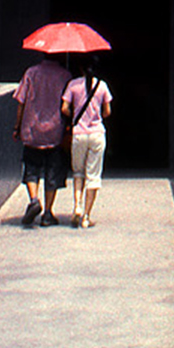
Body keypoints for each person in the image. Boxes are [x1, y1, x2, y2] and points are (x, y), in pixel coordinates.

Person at [13, 51, 72, 226]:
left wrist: (17, 127)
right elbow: (68, 104)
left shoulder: (31, 72)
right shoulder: (65, 75)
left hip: (32, 130)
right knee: (52, 172)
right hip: (55, 132)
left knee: (31, 168)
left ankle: (33, 200)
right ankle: (47, 213)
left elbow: (21, 101)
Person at [61, 68, 112, 228]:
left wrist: (74, 116)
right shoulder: (102, 86)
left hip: (78, 134)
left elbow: (64, 108)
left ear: (81, 69)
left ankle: (77, 207)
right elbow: (107, 111)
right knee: (93, 175)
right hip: (97, 134)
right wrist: (96, 117)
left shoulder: (73, 85)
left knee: (78, 172)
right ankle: (86, 217)